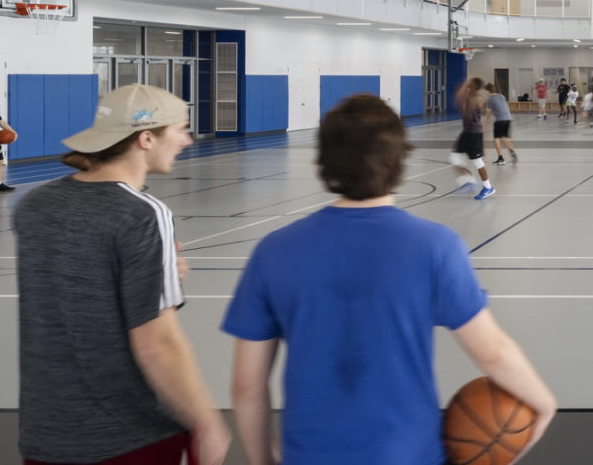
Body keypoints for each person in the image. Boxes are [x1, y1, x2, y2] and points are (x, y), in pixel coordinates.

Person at [224, 95, 556, 465]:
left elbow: (247, 387)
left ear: (325, 160)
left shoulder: (274, 251)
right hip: (410, 454)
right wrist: (543, 402)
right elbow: (492, 351)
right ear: (400, 160)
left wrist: (261, 460)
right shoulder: (436, 247)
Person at [14, 83, 231, 465]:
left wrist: (156, 269)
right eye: (181, 129)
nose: (188, 141)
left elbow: (74, 285)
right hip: (131, 436)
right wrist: (206, 421)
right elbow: (156, 342)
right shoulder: (143, 214)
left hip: (46, 432)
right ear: (146, 138)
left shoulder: (35, 205)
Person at [450, 78, 495, 200]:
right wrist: (465, 85)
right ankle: (469, 180)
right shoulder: (468, 97)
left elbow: (463, 104)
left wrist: (483, 143)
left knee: (478, 162)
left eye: (470, 85)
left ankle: (488, 187)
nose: (468, 86)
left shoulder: (477, 100)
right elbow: (457, 100)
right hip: (466, 133)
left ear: (474, 87)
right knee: (454, 158)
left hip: (475, 134)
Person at [487, 85, 517, 165]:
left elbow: (488, 113)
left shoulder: (490, 100)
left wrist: (486, 124)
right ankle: (512, 152)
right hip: (508, 119)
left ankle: (500, 158)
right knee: (504, 138)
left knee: (496, 139)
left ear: (488, 91)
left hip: (500, 120)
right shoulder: (501, 96)